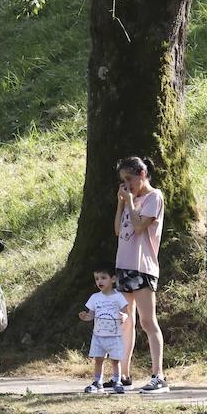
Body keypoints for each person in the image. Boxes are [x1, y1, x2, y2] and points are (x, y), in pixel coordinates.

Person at [114, 156, 168, 392]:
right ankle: (123, 375)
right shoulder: (130, 199)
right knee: (126, 322)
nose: (127, 184)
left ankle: (158, 375)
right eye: (123, 180)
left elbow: (138, 227)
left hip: (143, 266)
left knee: (147, 321)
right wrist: (121, 203)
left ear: (142, 174)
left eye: (129, 178)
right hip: (124, 265)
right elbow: (118, 230)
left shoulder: (153, 197)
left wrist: (130, 202)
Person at [78, 265, 128, 394]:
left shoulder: (118, 297)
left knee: (115, 360)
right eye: (97, 279)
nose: (99, 281)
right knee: (98, 359)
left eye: (103, 278)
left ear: (112, 279)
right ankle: (97, 382)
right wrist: (85, 317)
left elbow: (125, 312)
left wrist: (124, 316)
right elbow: (91, 315)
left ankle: (117, 381)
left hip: (114, 335)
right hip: (98, 336)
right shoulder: (95, 297)